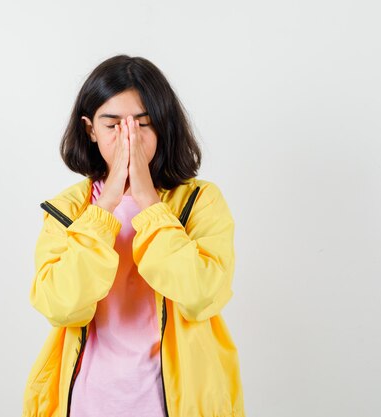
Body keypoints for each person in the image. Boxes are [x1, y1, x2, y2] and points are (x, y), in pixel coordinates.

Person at [22, 54, 245, 417]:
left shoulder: (200, 201)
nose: (130, 138)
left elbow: (203, 294)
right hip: (87, 403)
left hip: (179, 403)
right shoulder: (66, 212)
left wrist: (148, 201)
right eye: (113, 126)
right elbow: (60, 306)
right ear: (90, 130)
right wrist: (107, 203)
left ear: (164, 126)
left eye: (143, 124)